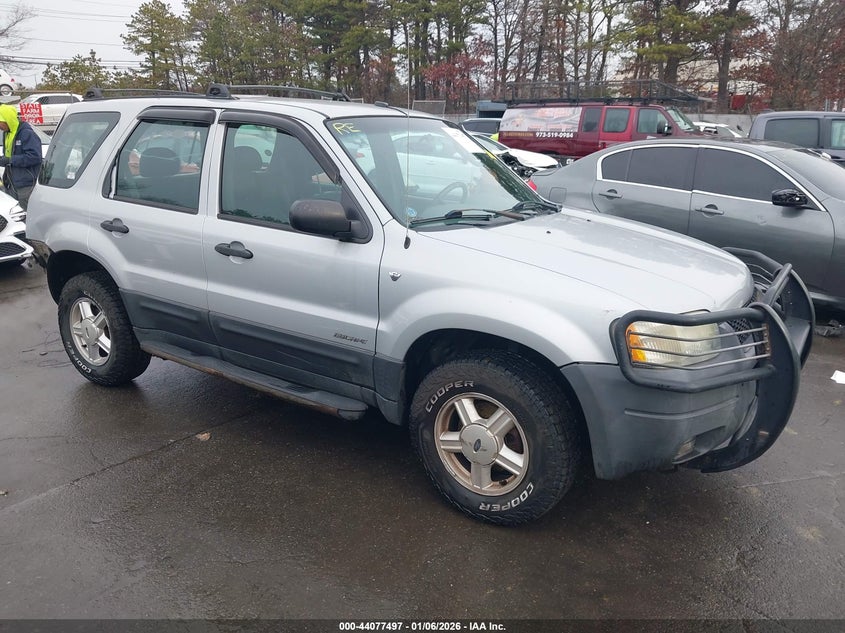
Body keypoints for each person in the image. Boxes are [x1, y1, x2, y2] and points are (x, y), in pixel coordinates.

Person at [0, 103, 43, 209]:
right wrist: (3, 160)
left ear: (7, 119)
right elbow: (10, 155)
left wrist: (10, 160)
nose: (0, 126)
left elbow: (35, 157)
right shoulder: (7, 133)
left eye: (0, 122)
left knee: (26, 214)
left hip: (26, 183)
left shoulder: (26, 133)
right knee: (15, 214)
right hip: (12, 183)